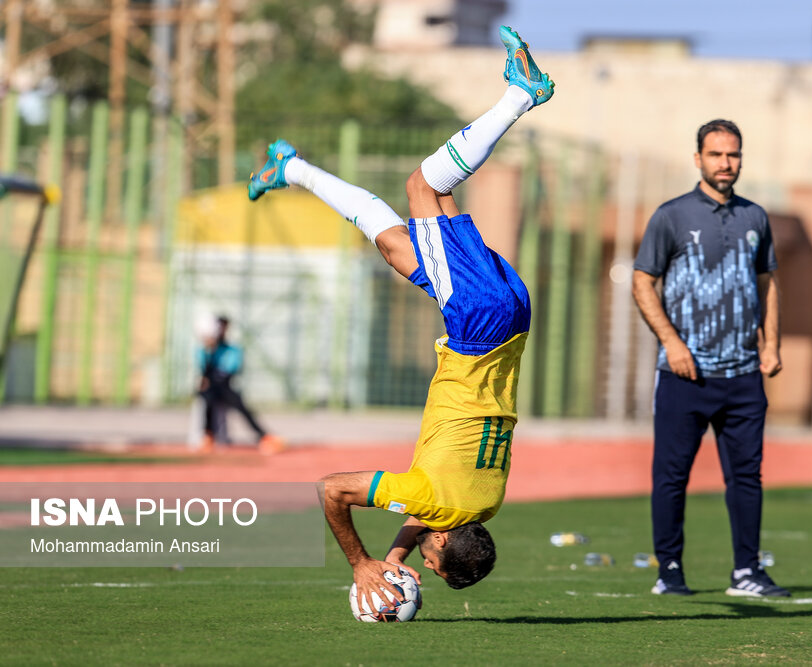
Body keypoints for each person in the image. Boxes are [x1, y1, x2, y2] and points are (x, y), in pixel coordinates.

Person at [247, 26, 552, 604]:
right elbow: (331, 489)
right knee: (423, 184)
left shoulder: (484, 504)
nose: (426, 561)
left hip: (507, 322)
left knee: (394, 245)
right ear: (440, 545)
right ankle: (520, 96)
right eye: (432, 564)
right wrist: (362, 563)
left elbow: (428, 511)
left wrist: (393, 558)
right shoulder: (433, 500)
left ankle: (291, 169)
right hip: (476, 323)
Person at [632, 119, 789, 598]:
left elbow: (768, 284)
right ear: (698, 158)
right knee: (672, 477)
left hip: (743, 375)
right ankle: (670, 572)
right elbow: (643, 283)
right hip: (685, 374)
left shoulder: (756, 218)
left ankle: (747, 572)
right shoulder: (671, 216)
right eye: (717, 155)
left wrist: (771, 344)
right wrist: (672, 345)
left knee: (747, 477)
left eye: (734, 155)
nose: (727, 163)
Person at [196, 315, 285, 455]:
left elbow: (230, 370)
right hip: (212, 390)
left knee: (241, 408)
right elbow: (204, 372)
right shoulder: (205, 351)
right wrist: (209, 352)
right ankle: (208, 436)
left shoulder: (232, 350)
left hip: (225, 387)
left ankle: (264, 437)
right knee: (208, 398)